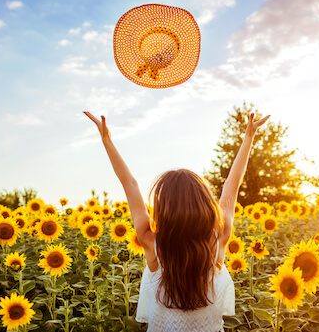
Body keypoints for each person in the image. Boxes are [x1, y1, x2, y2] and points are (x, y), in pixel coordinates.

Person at [83, 111, 270, 332]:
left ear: (165, 210)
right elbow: (232, 185)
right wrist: (249, 138)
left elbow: (130, 184)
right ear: (203, 206)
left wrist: (107, 142)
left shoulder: (153, 243)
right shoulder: (216, 240)